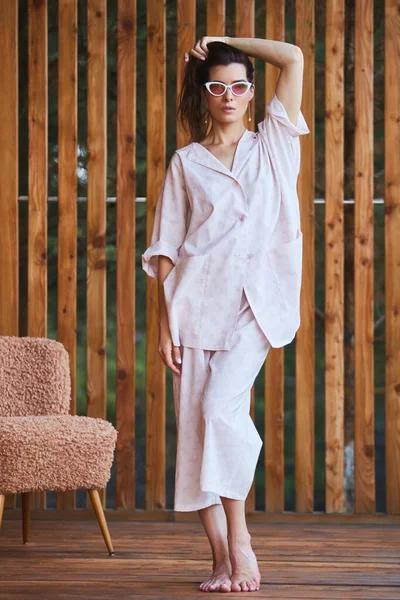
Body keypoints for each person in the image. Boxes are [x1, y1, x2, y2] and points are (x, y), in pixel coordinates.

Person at [142, 36, 309, 593]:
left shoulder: (275, 144)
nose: (229, 95)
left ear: (251, 91)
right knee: (195, 437)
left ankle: (240, 540)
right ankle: (219, 560)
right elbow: (166, 248)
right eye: (218, 86)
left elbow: (293, 57)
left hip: (255, 309)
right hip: (194, 309)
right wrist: (163, 326)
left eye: (239, 85)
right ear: (206, 94)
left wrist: (222, 44)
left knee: (219, 412)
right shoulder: (186, 163)